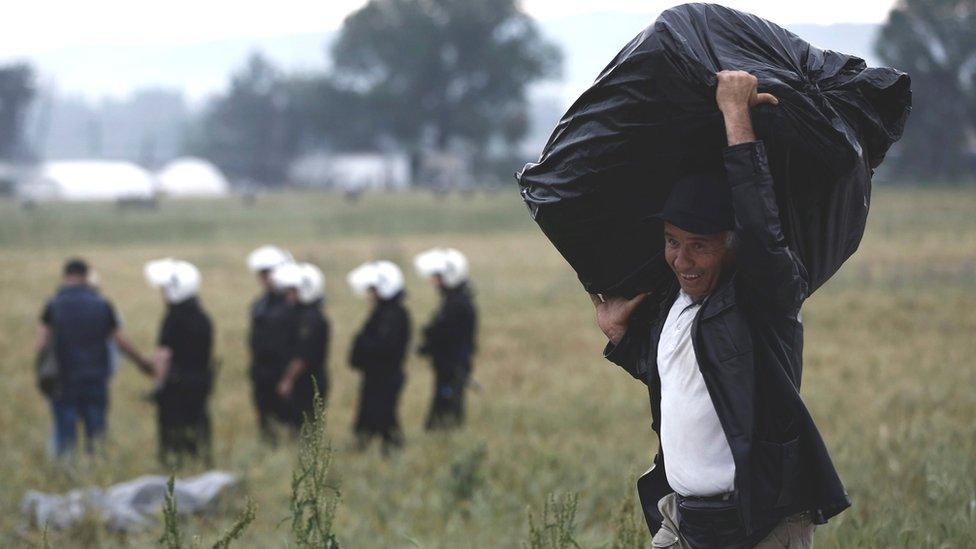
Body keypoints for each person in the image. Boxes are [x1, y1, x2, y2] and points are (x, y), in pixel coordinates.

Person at [591, 71, 849, 548]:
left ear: (732, 247)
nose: (681, 260)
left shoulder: (763, 299)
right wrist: (621, 338)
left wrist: (734, 112)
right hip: (684, 522)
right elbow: (686, 378)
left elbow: (759, 220)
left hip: (760, 525)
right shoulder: (677, 304)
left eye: (698, 245)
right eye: (672, 242)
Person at [36, 258, 153, 457]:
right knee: (96, 435)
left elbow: (42, 344)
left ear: (65, 276)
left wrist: (41, 374)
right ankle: (96, 475)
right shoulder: (101, 304)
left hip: (63, 379)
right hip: (95, 377)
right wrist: (142, 363)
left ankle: (67, 479)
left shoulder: (53, 305)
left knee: (65, 434)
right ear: (86, 276)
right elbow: (120, 341)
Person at [145, 258, 214, 467]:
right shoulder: (203, 317)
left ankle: (176, 468)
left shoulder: (173, 318)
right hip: (200, 382)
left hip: (176, 386)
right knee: (197, 428)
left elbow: (164, 354)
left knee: (173, 433)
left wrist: (158, 384)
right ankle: (200, 465)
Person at [347, 261, 411, 454]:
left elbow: (382, 347)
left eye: (373, 288)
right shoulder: (384, 314)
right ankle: (365, 452)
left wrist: (362, 348)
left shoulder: (394, 316)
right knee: (371, 418)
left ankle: (389, 455)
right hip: (375, 376)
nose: (369, 293)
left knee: (384, 419)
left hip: (385, 377)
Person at [414, 248, 478, 430]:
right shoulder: (454, 301)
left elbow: (445, 335)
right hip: (447, 367)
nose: (434, 281)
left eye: (438, 276)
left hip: (452, 368)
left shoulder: (458, 305)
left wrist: (430, 343)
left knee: (445, 417)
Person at [246, 245, 297, 444]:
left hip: (285, 371)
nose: (264, 278)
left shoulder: (293, 302)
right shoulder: (260, 303)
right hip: (262, 372)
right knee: (266, 422)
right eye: (261, 274)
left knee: (293, 421)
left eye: (267, 273)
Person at [272, 262, 330, 426]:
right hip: (304, 381)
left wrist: (288, 380)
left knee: (305, 425)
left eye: (293, 290)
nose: (288, 295)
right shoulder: (300, 315)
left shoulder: (311, 320)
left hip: (309, 383)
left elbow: (303, 355)